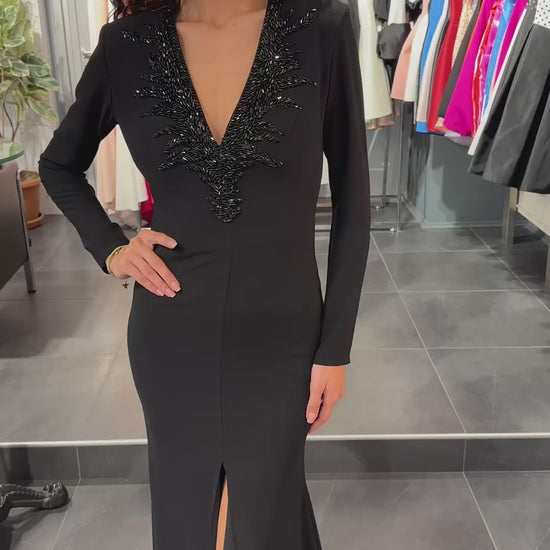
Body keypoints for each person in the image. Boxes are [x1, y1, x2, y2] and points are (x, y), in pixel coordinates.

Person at [38, 0, 371, 548]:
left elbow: (353, 204)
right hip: (172, 330)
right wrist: (112, 249)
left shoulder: (321, 28)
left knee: (267, 510)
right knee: (186, 510)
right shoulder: (126, 44)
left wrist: (335, 349)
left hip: (281, 332)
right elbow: (58, 164)